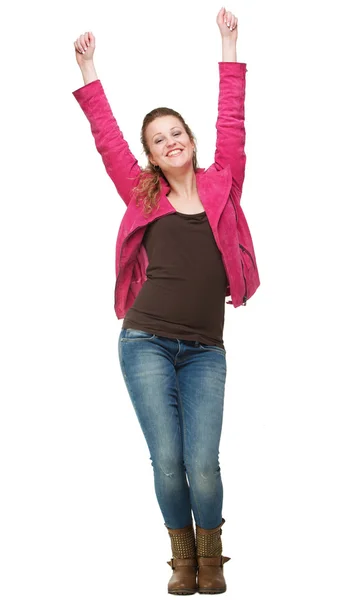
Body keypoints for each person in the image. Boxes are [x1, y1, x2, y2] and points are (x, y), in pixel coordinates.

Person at [73, 7, 260, 595]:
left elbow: (234, 119)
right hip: (145, 340)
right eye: (157, 140)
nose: (169, 142)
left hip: (206, 349)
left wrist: (229, 44)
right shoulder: (141, 191)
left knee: (204, 464)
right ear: (150, 156)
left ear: (190, 140)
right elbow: (105, 136)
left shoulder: (222, 181)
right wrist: (88, 70)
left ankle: (213, 557)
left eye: (175, 132)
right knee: (168, 461)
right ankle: (183, 558)